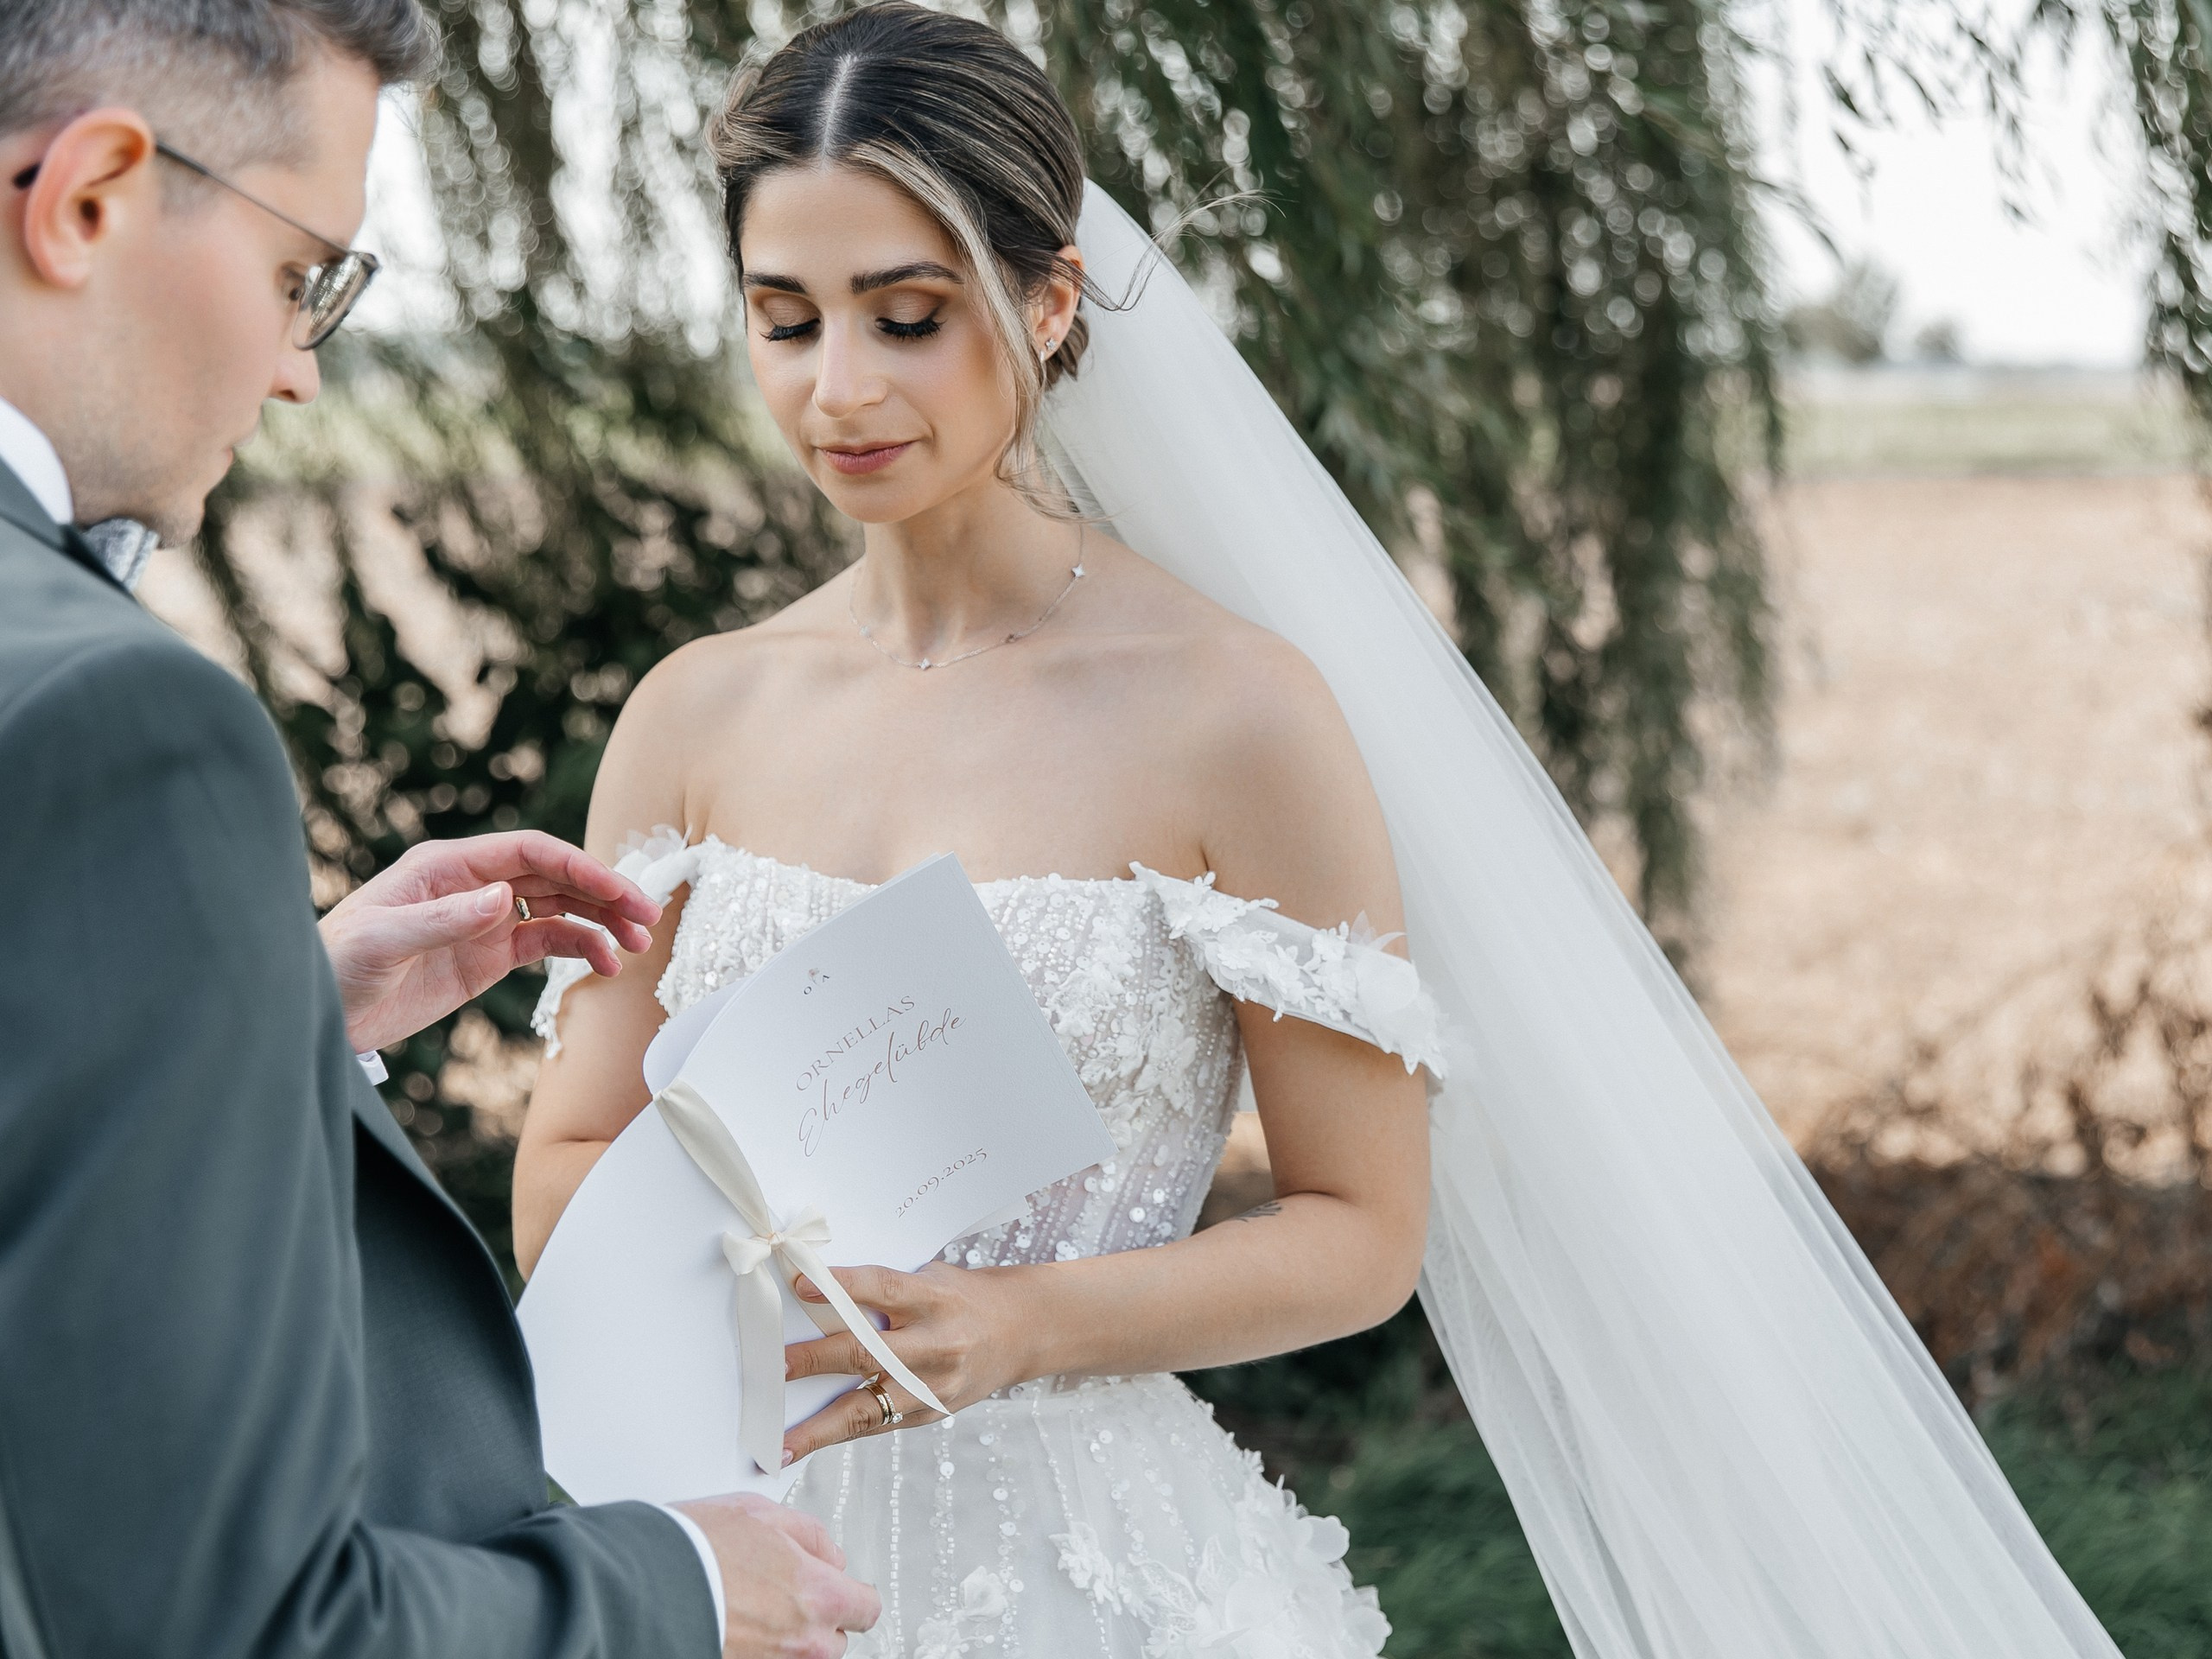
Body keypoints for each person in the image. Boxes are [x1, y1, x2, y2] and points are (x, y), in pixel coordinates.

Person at [519, 8, 2136, 1657]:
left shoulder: (1232, 711)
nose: (837, 387)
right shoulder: (695, 717)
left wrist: (1025, 1321)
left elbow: (1362, 1231)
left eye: (909, 317)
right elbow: (566, 1164)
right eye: (785, 321)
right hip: (723, 1550)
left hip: (1082, 1573)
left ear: (1048, 301)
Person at [0, 3, 880, 1655]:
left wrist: (258, 1016)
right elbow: (226, 1623)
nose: (300, 367)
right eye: (301, 272)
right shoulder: (122, 725)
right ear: (91, 198)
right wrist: (681, 1586)